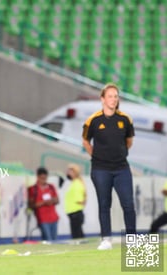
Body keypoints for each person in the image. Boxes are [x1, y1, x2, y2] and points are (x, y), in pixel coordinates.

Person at [82, 83, 136, 250]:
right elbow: (85, 141)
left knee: (128, 204)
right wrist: (96, 155)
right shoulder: (93, 120)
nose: (114, 99)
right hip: (100, 169)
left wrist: (119, 154)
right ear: (102, 99)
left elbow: (129, 141)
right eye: (110, 96)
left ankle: (132, 240)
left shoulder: (125, 119)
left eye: (116, 96)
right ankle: (106, 239)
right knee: (104, 204)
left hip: (122, 168)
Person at [28, 167, 59, 241]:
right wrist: (44, 202)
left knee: (54, 240)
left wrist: (51, 201)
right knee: (48, 239)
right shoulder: (33, 189)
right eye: (42, 178)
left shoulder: (51, 187)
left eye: (45, 178)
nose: (43, 180)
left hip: (54, 218)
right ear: (38, 177)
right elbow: (32, 205)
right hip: (42, 219)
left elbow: (57, 200)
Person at [64, 164, 86, 239]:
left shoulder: (76, 183)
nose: (68, 173)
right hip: (74, 212)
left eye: (70, 171)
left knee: (77, 235)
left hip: (75, 212)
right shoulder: (75, 183)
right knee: (77, 234)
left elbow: (80, 199)